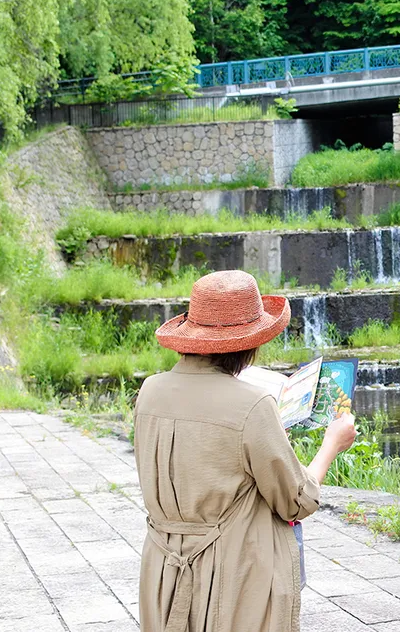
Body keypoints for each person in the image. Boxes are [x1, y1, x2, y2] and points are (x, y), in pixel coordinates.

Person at [133, 270, 357, 632]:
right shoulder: (252, 404)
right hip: (233, 575)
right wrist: (332, 444)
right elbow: (295, 501)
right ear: (250, 343)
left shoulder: (150, 391)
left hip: (163, 569)